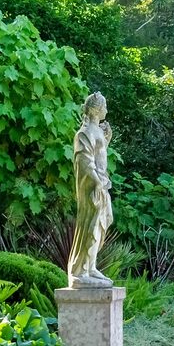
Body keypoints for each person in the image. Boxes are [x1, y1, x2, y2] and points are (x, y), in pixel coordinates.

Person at [68, 92, 114, 288]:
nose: (106, 110)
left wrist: (107, 139)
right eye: (104, 106)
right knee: (91, 224)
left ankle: (91, 265)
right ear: (96, 110)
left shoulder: (97, 132)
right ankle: (81, 270)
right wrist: (96, 182)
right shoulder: (84, 133)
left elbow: (99, 155)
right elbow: (85, 161)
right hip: (92, 187)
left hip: (101, 184)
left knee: (103, 222)